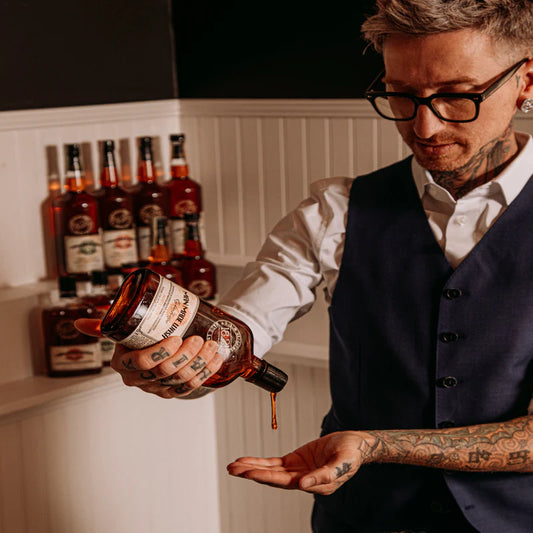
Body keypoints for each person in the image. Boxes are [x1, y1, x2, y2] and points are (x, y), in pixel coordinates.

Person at [76, 1, 533, 531]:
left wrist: (376, 445)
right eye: (401, 94)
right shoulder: (334, 213)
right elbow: (237, 330)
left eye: (456, 95)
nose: (424, 125)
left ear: (525, 81)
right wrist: (181, 367)